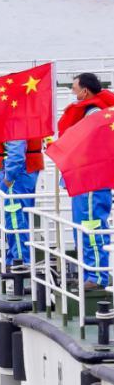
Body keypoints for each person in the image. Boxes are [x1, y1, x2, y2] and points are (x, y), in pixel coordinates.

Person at [58, 72, 114, 285]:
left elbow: (91, 146)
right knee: (82, 228)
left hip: (92, 181)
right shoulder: (88, 112)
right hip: (83, 179)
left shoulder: (95, 114)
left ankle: (98, 276)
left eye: (74, 88)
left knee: (91, 226)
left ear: (85, 91)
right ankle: (88, 273)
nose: (72, 92)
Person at [0, 139, 43, 270]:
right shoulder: (22, 120)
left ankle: (20, 260)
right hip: (24, 172)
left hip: (15, 176)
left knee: (15, 218)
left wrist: (8, 178)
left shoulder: (12, 122)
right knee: (21, 217)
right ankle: (14, 257)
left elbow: (16, 153)